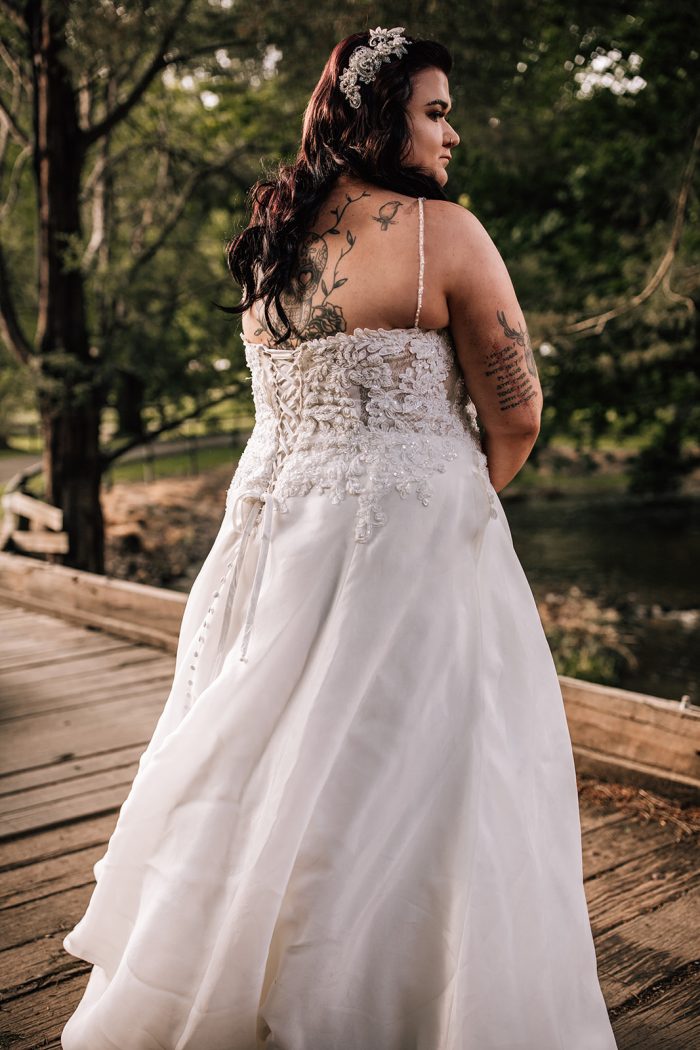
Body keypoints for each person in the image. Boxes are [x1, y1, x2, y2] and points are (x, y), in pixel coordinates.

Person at [61, 26, 619, 1050]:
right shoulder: (442, 235)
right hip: (416, 551)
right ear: (379, 115)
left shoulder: (274, 246)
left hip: (274, 543)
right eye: (436, 112)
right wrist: (435, 492)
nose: (454, 136)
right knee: (434, 780)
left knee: (273, 763)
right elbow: (519, 417)